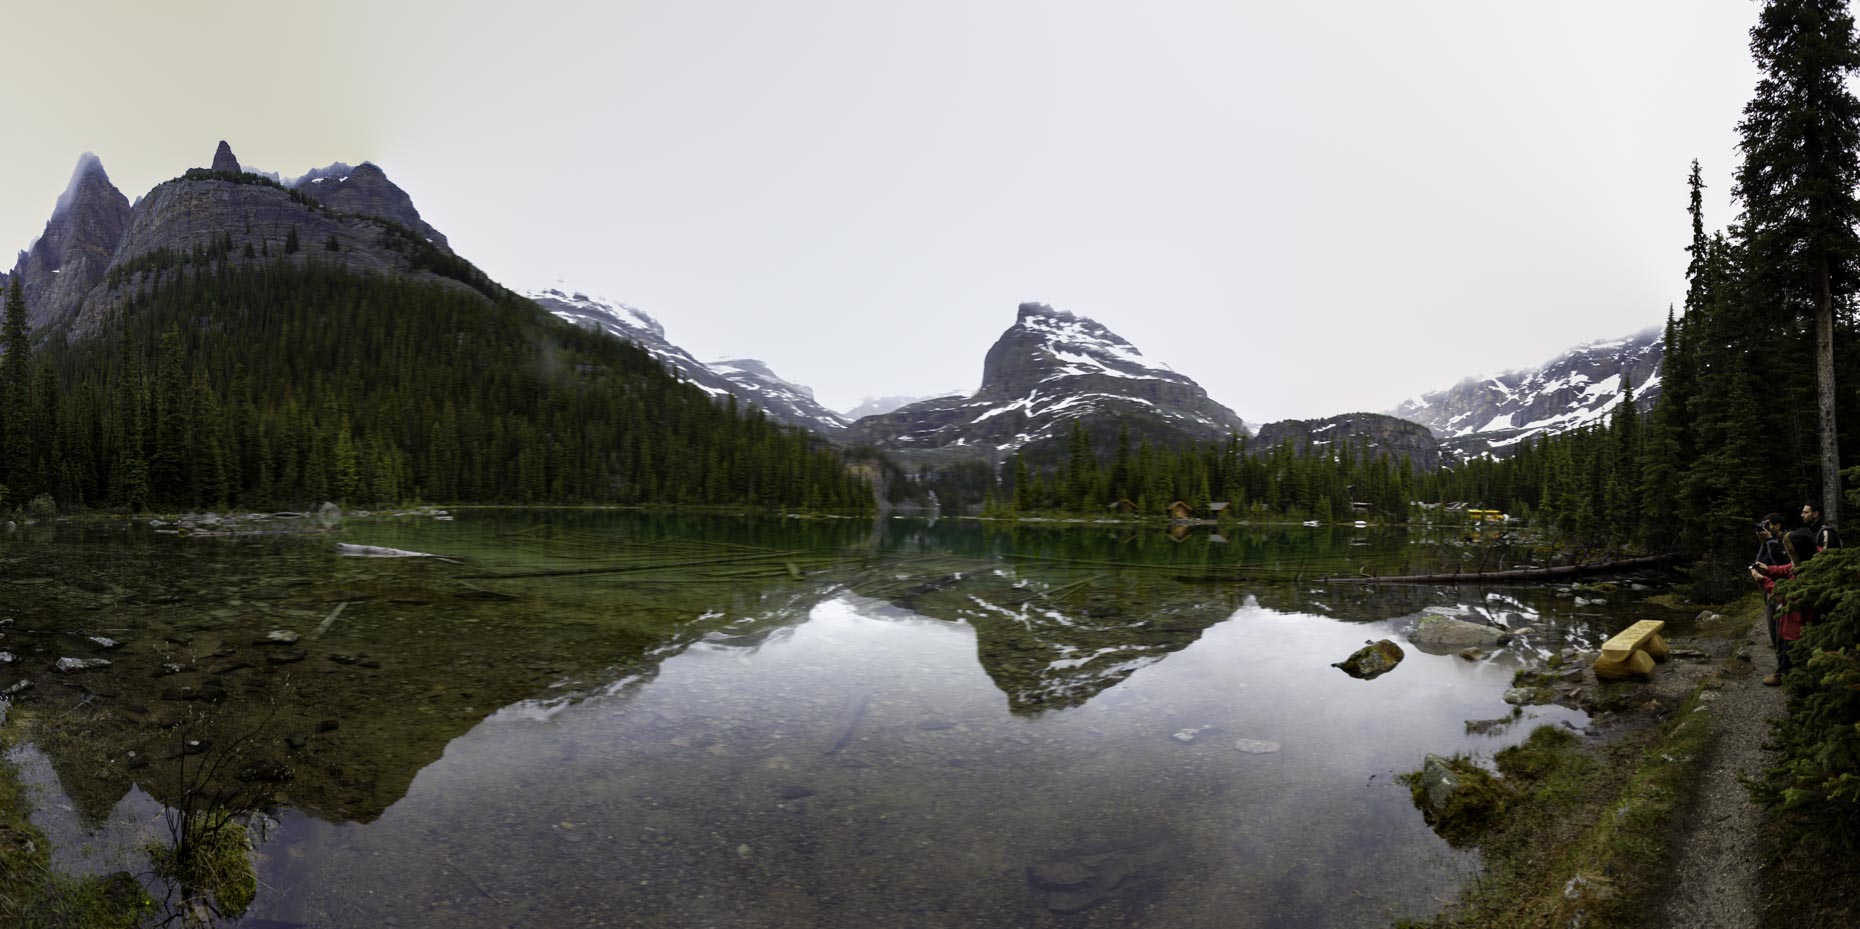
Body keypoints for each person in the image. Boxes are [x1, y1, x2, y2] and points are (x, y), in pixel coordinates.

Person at [1751, 528, 1820, 686]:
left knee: (1790, 648)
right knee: (1783, 644)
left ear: (1797, 551)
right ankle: (1784, 674)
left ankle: (1792, 681)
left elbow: (1787, 596)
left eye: (1789, 551)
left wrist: (1763, 581)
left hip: (1798, 624)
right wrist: (1768, 569)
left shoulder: (1808, 574)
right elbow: (1788, 568)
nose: (1787, 554)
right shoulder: (1806, 560)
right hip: (1790, 620)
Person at [1756, 513, 1788, 648]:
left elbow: (1780, 563)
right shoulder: (1770, 542)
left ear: (1777, 525)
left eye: (1767, 525)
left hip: (1784, 590)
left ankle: (1785, 662)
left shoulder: (1786, 540)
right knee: (1772, 627)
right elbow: (1760, 560)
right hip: (1770, 590)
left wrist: (1769, 540)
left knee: (1782, 632)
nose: (1765, 528)